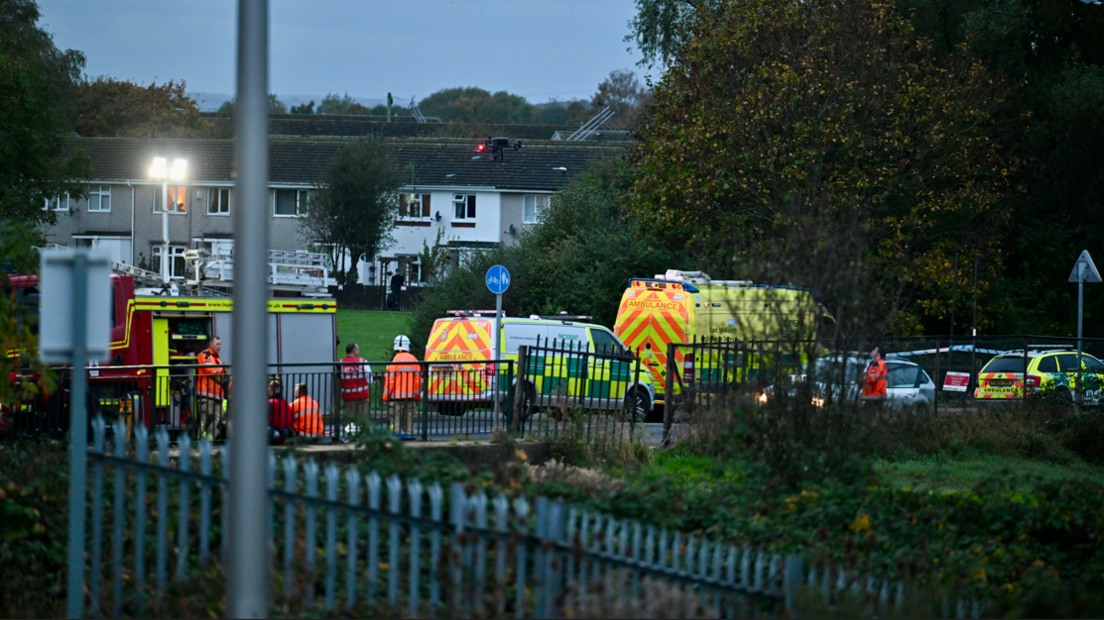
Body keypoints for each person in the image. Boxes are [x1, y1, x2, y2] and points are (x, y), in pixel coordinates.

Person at [383, 334, 421, 440]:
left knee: (395, 419)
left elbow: (389, 381)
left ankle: (397, 438)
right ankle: (410, 437)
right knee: (409, 419)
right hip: (411, 397)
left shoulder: (394, 361)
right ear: (408, 346)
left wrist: (386, 397)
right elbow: (418, 382)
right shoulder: (414, 360)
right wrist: (417, 397)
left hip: (396, 398)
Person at [195, 336, 226, 440]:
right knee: (207, 419)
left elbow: (217, 373)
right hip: (206, 393)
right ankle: (202, 442)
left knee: (221, 419)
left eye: (220, 344)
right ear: (211, 344)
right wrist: (222, 369)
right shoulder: (205, 355)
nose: (219, 346)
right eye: (217, 344)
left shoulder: (216, 357)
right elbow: (209, 370)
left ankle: (208, 440)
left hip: (216, 395)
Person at [340, 343, 374, 418]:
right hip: (362, 397)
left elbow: (339, 379)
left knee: (349, 422)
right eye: (358, 350)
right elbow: (369, 377)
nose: (359, 352)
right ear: (354, 351)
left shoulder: (341, 363)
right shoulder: (362, 361)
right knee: (364, 421)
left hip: (348, 398)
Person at [268, 380, 293, 444]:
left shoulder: (271, 402)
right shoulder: (285, 403)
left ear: (271, 389)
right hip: (283, 437)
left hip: (272, 438)